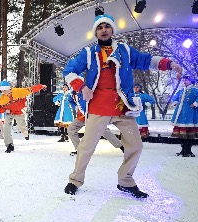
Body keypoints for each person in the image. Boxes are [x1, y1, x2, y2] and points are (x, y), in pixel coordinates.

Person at [62, 14, 182, 198]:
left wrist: (169, 64)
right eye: (100, 27)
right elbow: (69, 70)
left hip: (123, 106)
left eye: (106, 26)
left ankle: (125, 181)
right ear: (96, 32)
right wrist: (82, 87)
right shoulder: (88, 53)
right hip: (98, 107)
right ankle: (75, 180)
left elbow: (146, 60)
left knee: (136, 145)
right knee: (86, 147)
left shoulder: (125, 50)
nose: (103, 30)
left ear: (112, 30)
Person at [67, 90, 124, 156]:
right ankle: (79, 150)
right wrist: (75, 107)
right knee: (71, 129)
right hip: (81, 117)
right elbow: (71, 100)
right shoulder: (72, 93)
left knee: (103, 130)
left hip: (92, 116)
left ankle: (121, 147)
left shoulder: (86, 90)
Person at [0, 80, 46, 153]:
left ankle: (25, 133)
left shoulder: (18, 92)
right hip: (9, 112)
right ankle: (9, 145)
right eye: (2, 91)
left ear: (9, 89)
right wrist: (4, 110)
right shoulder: (1, 98)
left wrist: (41, 86)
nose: (3, 92)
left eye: (4, 90)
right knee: (6, 128)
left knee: (21, 125)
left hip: (18, 112)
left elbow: (30, 89)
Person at [171, 76, 197, 157]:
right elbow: (175, 97)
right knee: (182, 134)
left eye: (186, 80)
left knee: (189, 133)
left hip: (190, 114)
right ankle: (183, 150)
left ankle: (188, 150)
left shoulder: (195, 90)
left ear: (190, 81)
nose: (184, 81)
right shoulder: (181, 90)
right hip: (181, 114)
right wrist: (175, 102)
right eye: (184, 80)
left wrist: (195, 103)